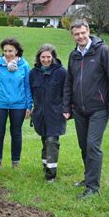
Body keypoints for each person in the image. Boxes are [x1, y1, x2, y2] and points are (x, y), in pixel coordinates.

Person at [63, 20, 109, 199]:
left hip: (99, 109)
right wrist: (67, 106)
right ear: (72, 35)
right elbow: (69, 83)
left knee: (92, 145)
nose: (80, 36)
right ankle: (89, 178)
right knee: (83, 145)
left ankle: (93, 188)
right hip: (80, 110)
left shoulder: (103, 51)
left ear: (88, 31)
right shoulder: (74, 55)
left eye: (83, 32)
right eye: (76, 34)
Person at [0, 38, 32, 171]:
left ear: (16, 51)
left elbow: (27, 86)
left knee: (16, 133)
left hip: (19, 104)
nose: (7, 53)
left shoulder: (24, 65)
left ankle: (15, 163)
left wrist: (29, 105)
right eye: (5, 51)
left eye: (10, 51)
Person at [29, 44, 67, 182]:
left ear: (53, 57)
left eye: (48, 57)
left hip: (56, 114)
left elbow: (67, 92)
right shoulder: (33, 73)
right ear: (39, 58)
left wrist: (66, 109)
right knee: (45, 141)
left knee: (52, 141)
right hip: (40, 114)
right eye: (43, 57)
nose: (46, 60)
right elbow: (30, 93)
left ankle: (51, 175)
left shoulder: (62, 72)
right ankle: (46, 166)